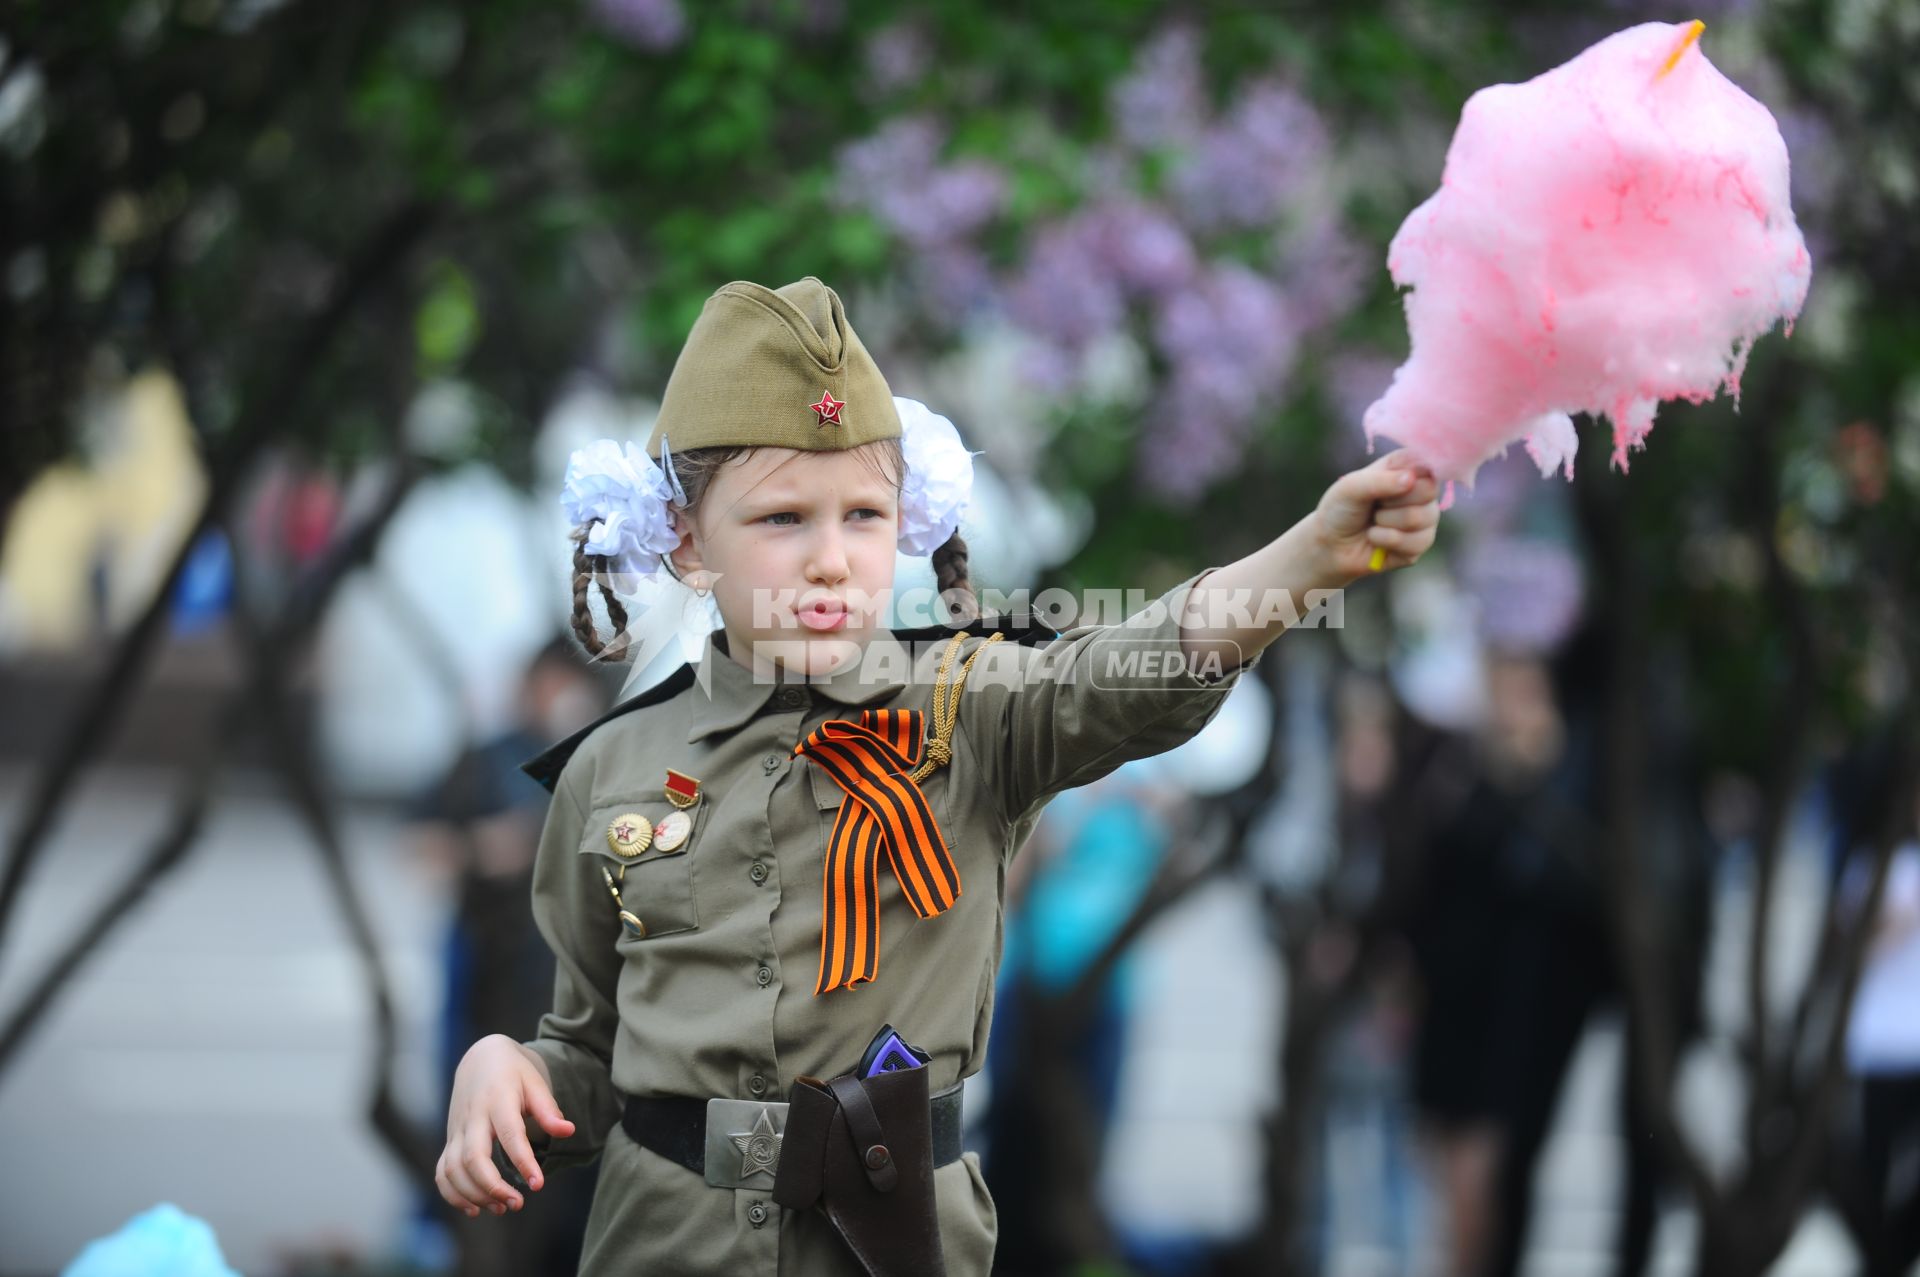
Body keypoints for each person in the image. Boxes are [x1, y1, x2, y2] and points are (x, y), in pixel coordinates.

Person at [429, 275, 1441, 1275]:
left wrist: (1305, 561)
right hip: (663, 1243)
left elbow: (1129, 672)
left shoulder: (967, 708)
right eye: (783, 517)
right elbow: (591, 1050)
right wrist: (505, 1065)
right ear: (689, 542)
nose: (832, 559)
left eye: (864, 515)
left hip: (896, 1240)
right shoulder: (613, 765)